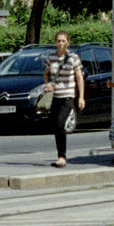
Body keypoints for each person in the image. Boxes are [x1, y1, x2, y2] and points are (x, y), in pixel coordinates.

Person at [42, 31, 84, 168]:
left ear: (68, 42)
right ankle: (59, 154)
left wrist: (81, 97)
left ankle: (62, 157)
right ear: (55, 42)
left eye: (63, 41)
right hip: (55, 96)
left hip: (68, 96)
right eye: (58, 41)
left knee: (60, 124)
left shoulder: (73, 58)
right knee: (55, 125)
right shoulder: (51, 57)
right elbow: (46, 74)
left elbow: (79, 77)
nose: (61, 44)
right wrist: (47, 84)